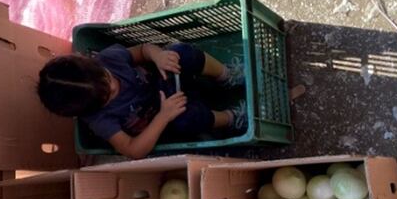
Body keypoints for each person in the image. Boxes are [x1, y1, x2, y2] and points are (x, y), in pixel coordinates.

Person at [37, 42, 246, 159]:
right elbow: (132, 149)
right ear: (88, 110)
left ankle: (227, 75)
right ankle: (231, 118)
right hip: (164, 117)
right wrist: (163, 117)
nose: (113, 86)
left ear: (90, 61)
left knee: (179, 53)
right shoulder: (99, 119)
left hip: (165, 78)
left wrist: (158, 56)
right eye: (107, 95)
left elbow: (142, 50)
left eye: (107, 77)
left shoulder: (108, 58)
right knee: (186, 117)